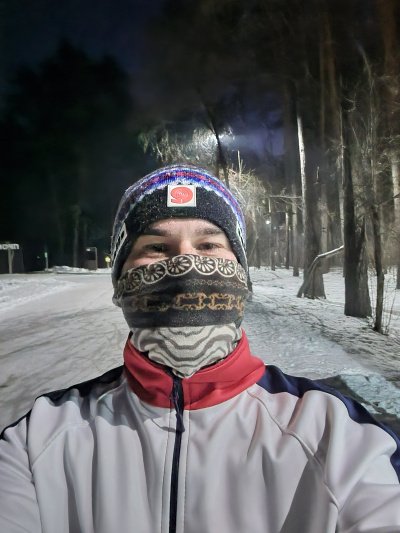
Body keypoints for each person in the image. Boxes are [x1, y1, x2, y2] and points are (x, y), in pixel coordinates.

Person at [0, 164, 399, 533]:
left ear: (242, 276)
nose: (185, 263)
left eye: (208, 245)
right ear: (120, 281)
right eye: (156, 248)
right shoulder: (37, 440)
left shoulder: (336, 433)